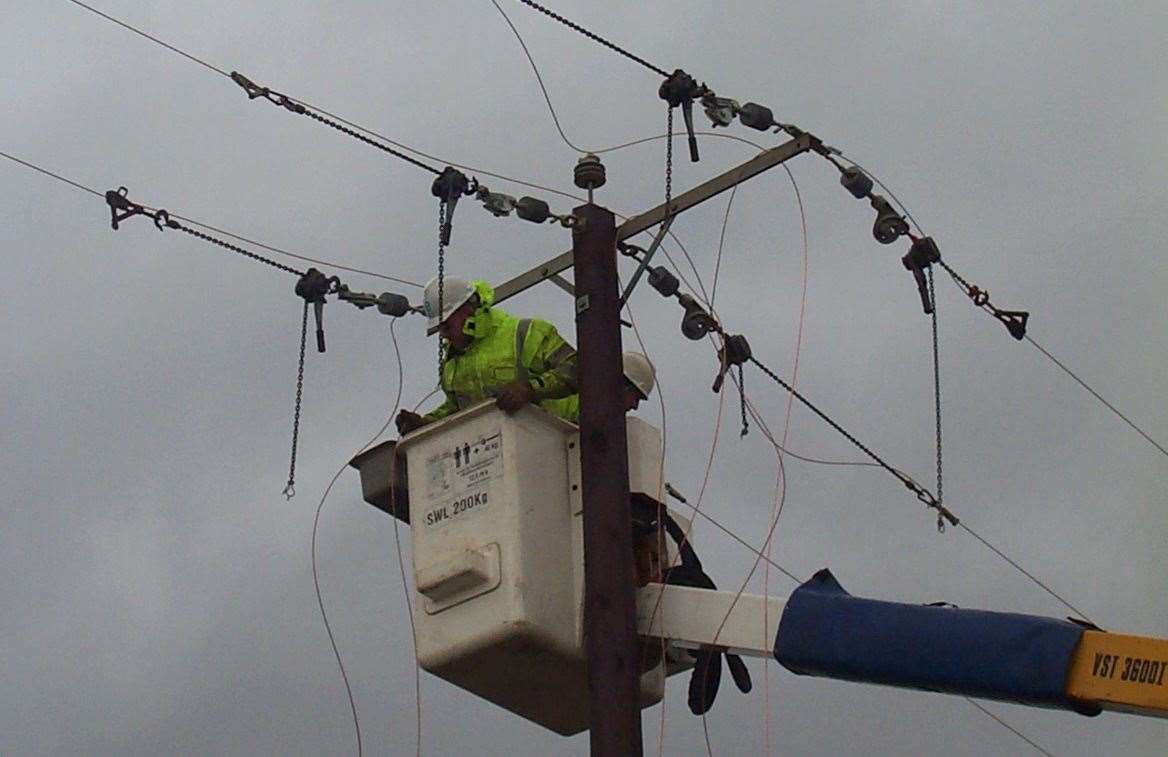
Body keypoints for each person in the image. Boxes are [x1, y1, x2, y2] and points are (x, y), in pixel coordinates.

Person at [395, 276, 579, 435]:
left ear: (468, 311)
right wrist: (426, 425)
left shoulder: (526, 333)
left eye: (446, 326)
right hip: (510, 455)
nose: (443, 334)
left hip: (566, 439)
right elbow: (458, 411)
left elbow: (578, 369)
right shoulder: (453, 365)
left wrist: (530, 389)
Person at [540, 351, 655, 423]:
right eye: (636, 398)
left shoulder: (604, 417)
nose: (635, 406)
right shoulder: (577, 397)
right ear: (623, 384)